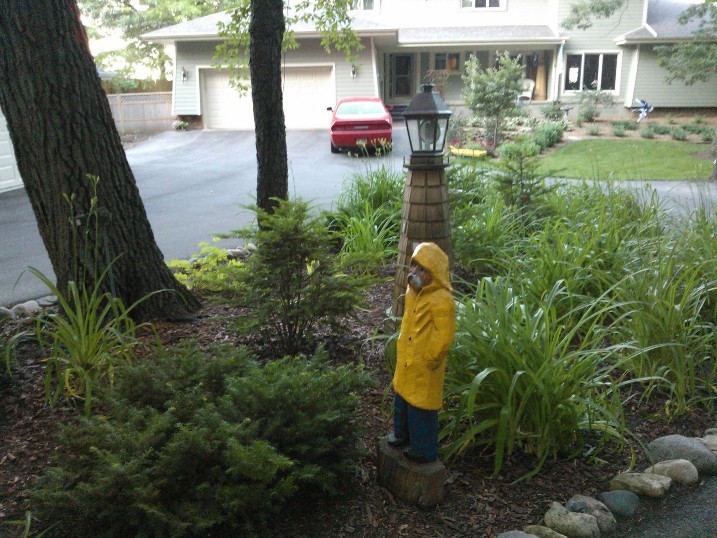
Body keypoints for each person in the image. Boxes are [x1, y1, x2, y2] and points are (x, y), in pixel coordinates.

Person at [388, 242, 456, 463]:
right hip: (407, 361)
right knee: (402, 403)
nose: (414, 273)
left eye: (422, 269)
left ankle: (423, 448)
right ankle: (401, 435)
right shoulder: (411, 293)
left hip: (425, 366)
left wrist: (431, 357)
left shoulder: (443, 301)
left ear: (434, 273)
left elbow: (443, 335)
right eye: (413, 267)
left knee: (421, 410)